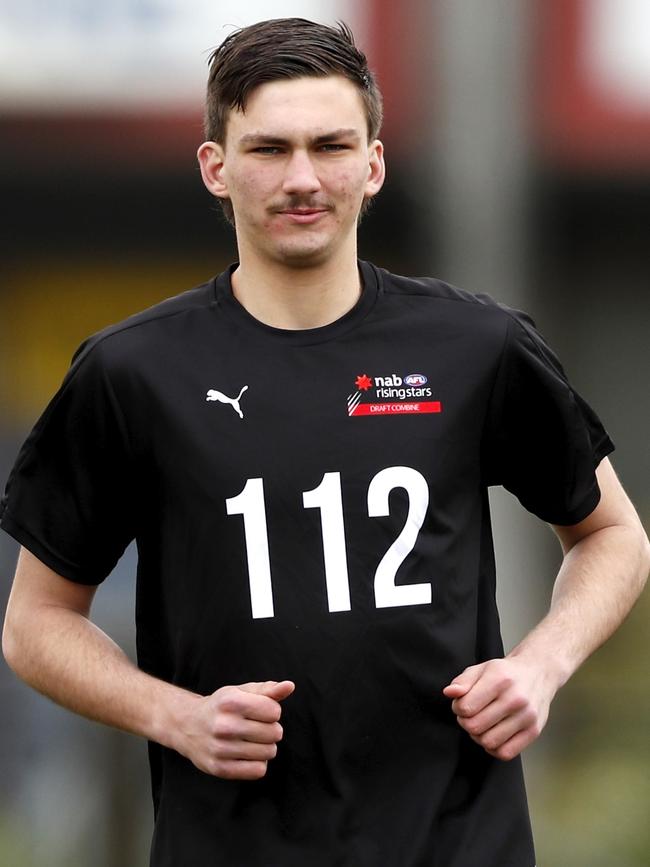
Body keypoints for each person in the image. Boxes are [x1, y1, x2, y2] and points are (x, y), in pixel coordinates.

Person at [1, 17, 648, 867]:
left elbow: (613, 535)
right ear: (215, 169)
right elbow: (35, 624)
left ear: (372, 165)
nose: (302, 178)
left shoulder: (476, 345)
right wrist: (174, 714)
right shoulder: (132, 371)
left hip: (456, 845)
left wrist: (541, 665)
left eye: (331, 145)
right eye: (269, 148)